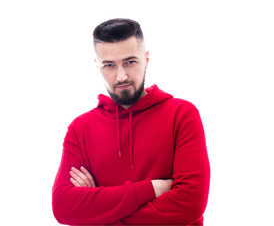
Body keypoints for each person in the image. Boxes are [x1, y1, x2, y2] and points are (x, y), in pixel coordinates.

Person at [52, 18, 210, 225]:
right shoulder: (80, 129)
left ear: (146, 59)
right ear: (97, 66)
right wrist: (152, 189)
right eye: (109, 65)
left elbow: (190, 204)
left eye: (130, 62)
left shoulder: (181, 115)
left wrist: (100, 214)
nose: (121, 76)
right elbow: (64, 207)